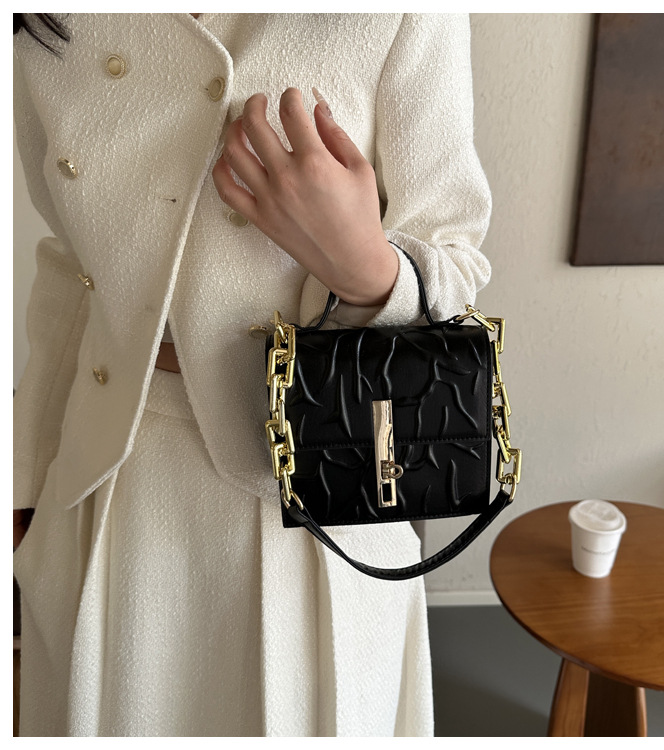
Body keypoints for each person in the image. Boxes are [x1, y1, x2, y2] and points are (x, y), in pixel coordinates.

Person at [13, 13, 492, 736]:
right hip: (107, 477)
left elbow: (454, 258)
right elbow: (70, 265)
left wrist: (362, 266)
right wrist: (25, 474)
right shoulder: (45, 21)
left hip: (315, 485)